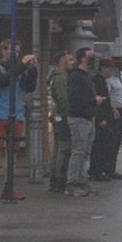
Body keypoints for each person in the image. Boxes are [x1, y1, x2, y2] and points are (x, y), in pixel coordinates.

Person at [0, 39, 38, 201]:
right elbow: (3, 80)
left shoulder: (19, 69)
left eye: (18, 52)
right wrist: (21, 65)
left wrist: (33, 70)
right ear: (3, 51)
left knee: (12, 152)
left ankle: (9, 186)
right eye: (12, 51)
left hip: (17, 112)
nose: (15, 55)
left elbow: (28, 87)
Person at [65, 46, 105, 197]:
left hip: (88, 118)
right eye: (90, 56)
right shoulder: (76, 76)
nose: (93, 59)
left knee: (85, 153)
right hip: (78, 118)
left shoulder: (87, 76)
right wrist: (93, 100)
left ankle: (82, 181)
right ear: (82, 58)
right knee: (78, 152)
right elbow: (74, 98)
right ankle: (72, 183)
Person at [90, 58, 122, 181]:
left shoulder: (103, 81)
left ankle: (105, 169)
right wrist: (101, 119)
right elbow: (98, 101)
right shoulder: (98, 81)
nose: (111, 71)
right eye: (109, 68)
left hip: (108, 116)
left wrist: (112, 109)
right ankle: (96, 171)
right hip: (102, 119)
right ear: (103, 68)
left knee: (109, 143)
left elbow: (106, 99)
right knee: (100, 145)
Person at [46, 51, 75, 193]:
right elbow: (63, 100)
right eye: (69, 59)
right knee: (64, 148)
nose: (72, 62)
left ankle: (54, 180)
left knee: (57, 148)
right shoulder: (61, 79)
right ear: (62, 60)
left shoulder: (53, 77)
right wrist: (68, 116)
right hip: (62, 117)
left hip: (56, 117)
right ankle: (60, 180)